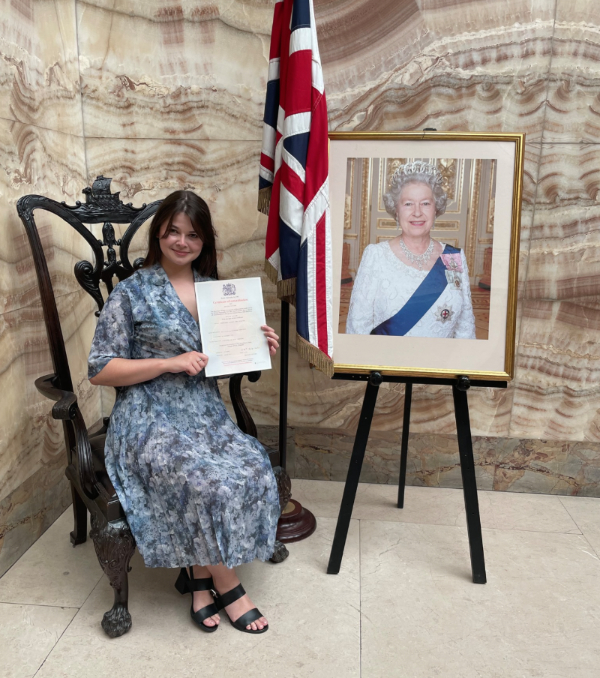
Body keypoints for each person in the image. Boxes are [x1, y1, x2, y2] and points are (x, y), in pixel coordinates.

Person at [88, 190, 281, 635]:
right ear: (159, 233)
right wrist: (168, 363)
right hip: (147, 414)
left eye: (192, 234)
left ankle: (198, 580)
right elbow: (100, 369)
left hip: (202, 411)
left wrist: (258, 348)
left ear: (204, 240)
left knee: (251, 465)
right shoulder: (132, 292)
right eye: (173, 231)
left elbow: (229, 359)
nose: (181, 241)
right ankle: (231, 588)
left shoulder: (219, 292)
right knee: (200, 478)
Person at [345, 161, 477, 339]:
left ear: (436, 209)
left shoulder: (453, 258)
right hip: (389, 364)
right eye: (408, 204)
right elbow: (357, 329)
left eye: (425, 203)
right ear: (396, 210)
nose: (417, 212)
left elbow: (465, 327)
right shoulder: (375, 256)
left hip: (441, 364)